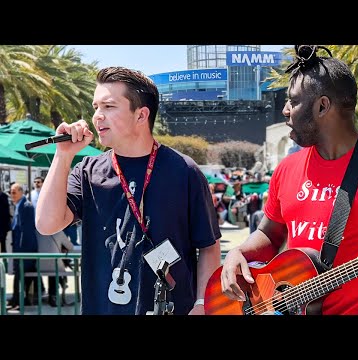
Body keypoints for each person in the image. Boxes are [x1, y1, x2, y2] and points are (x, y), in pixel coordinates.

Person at [220, 45, 358, 315]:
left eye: (293, 101)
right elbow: (269, 233)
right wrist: (239, 253)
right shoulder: (287, 168)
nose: (285, 111)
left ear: (322, 106)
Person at [36, 66, 221, 315]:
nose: (98, 116)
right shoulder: (88, 170)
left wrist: (201, 305)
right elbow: (47, 224)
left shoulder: (184, 170)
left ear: (141, 115)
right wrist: (63, 156)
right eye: (95, 107)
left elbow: (208, 245)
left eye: (109, 106)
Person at [7, 183, 41, 310]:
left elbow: (26, 231)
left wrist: (21, 251)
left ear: (21, 192)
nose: (12, 195)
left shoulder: (26, 206)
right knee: (19, 275)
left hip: (25, 249)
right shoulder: (19, 205)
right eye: (11, 192)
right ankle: (17, 299)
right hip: (19, 248)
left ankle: (19, 301)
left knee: (22, 276)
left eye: (14, 192)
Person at [0, 186, 11, 253]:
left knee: (3, 245)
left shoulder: (4, 197)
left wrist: (7, 226)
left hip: (2, 225)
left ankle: (4, 261)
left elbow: (6, 212)